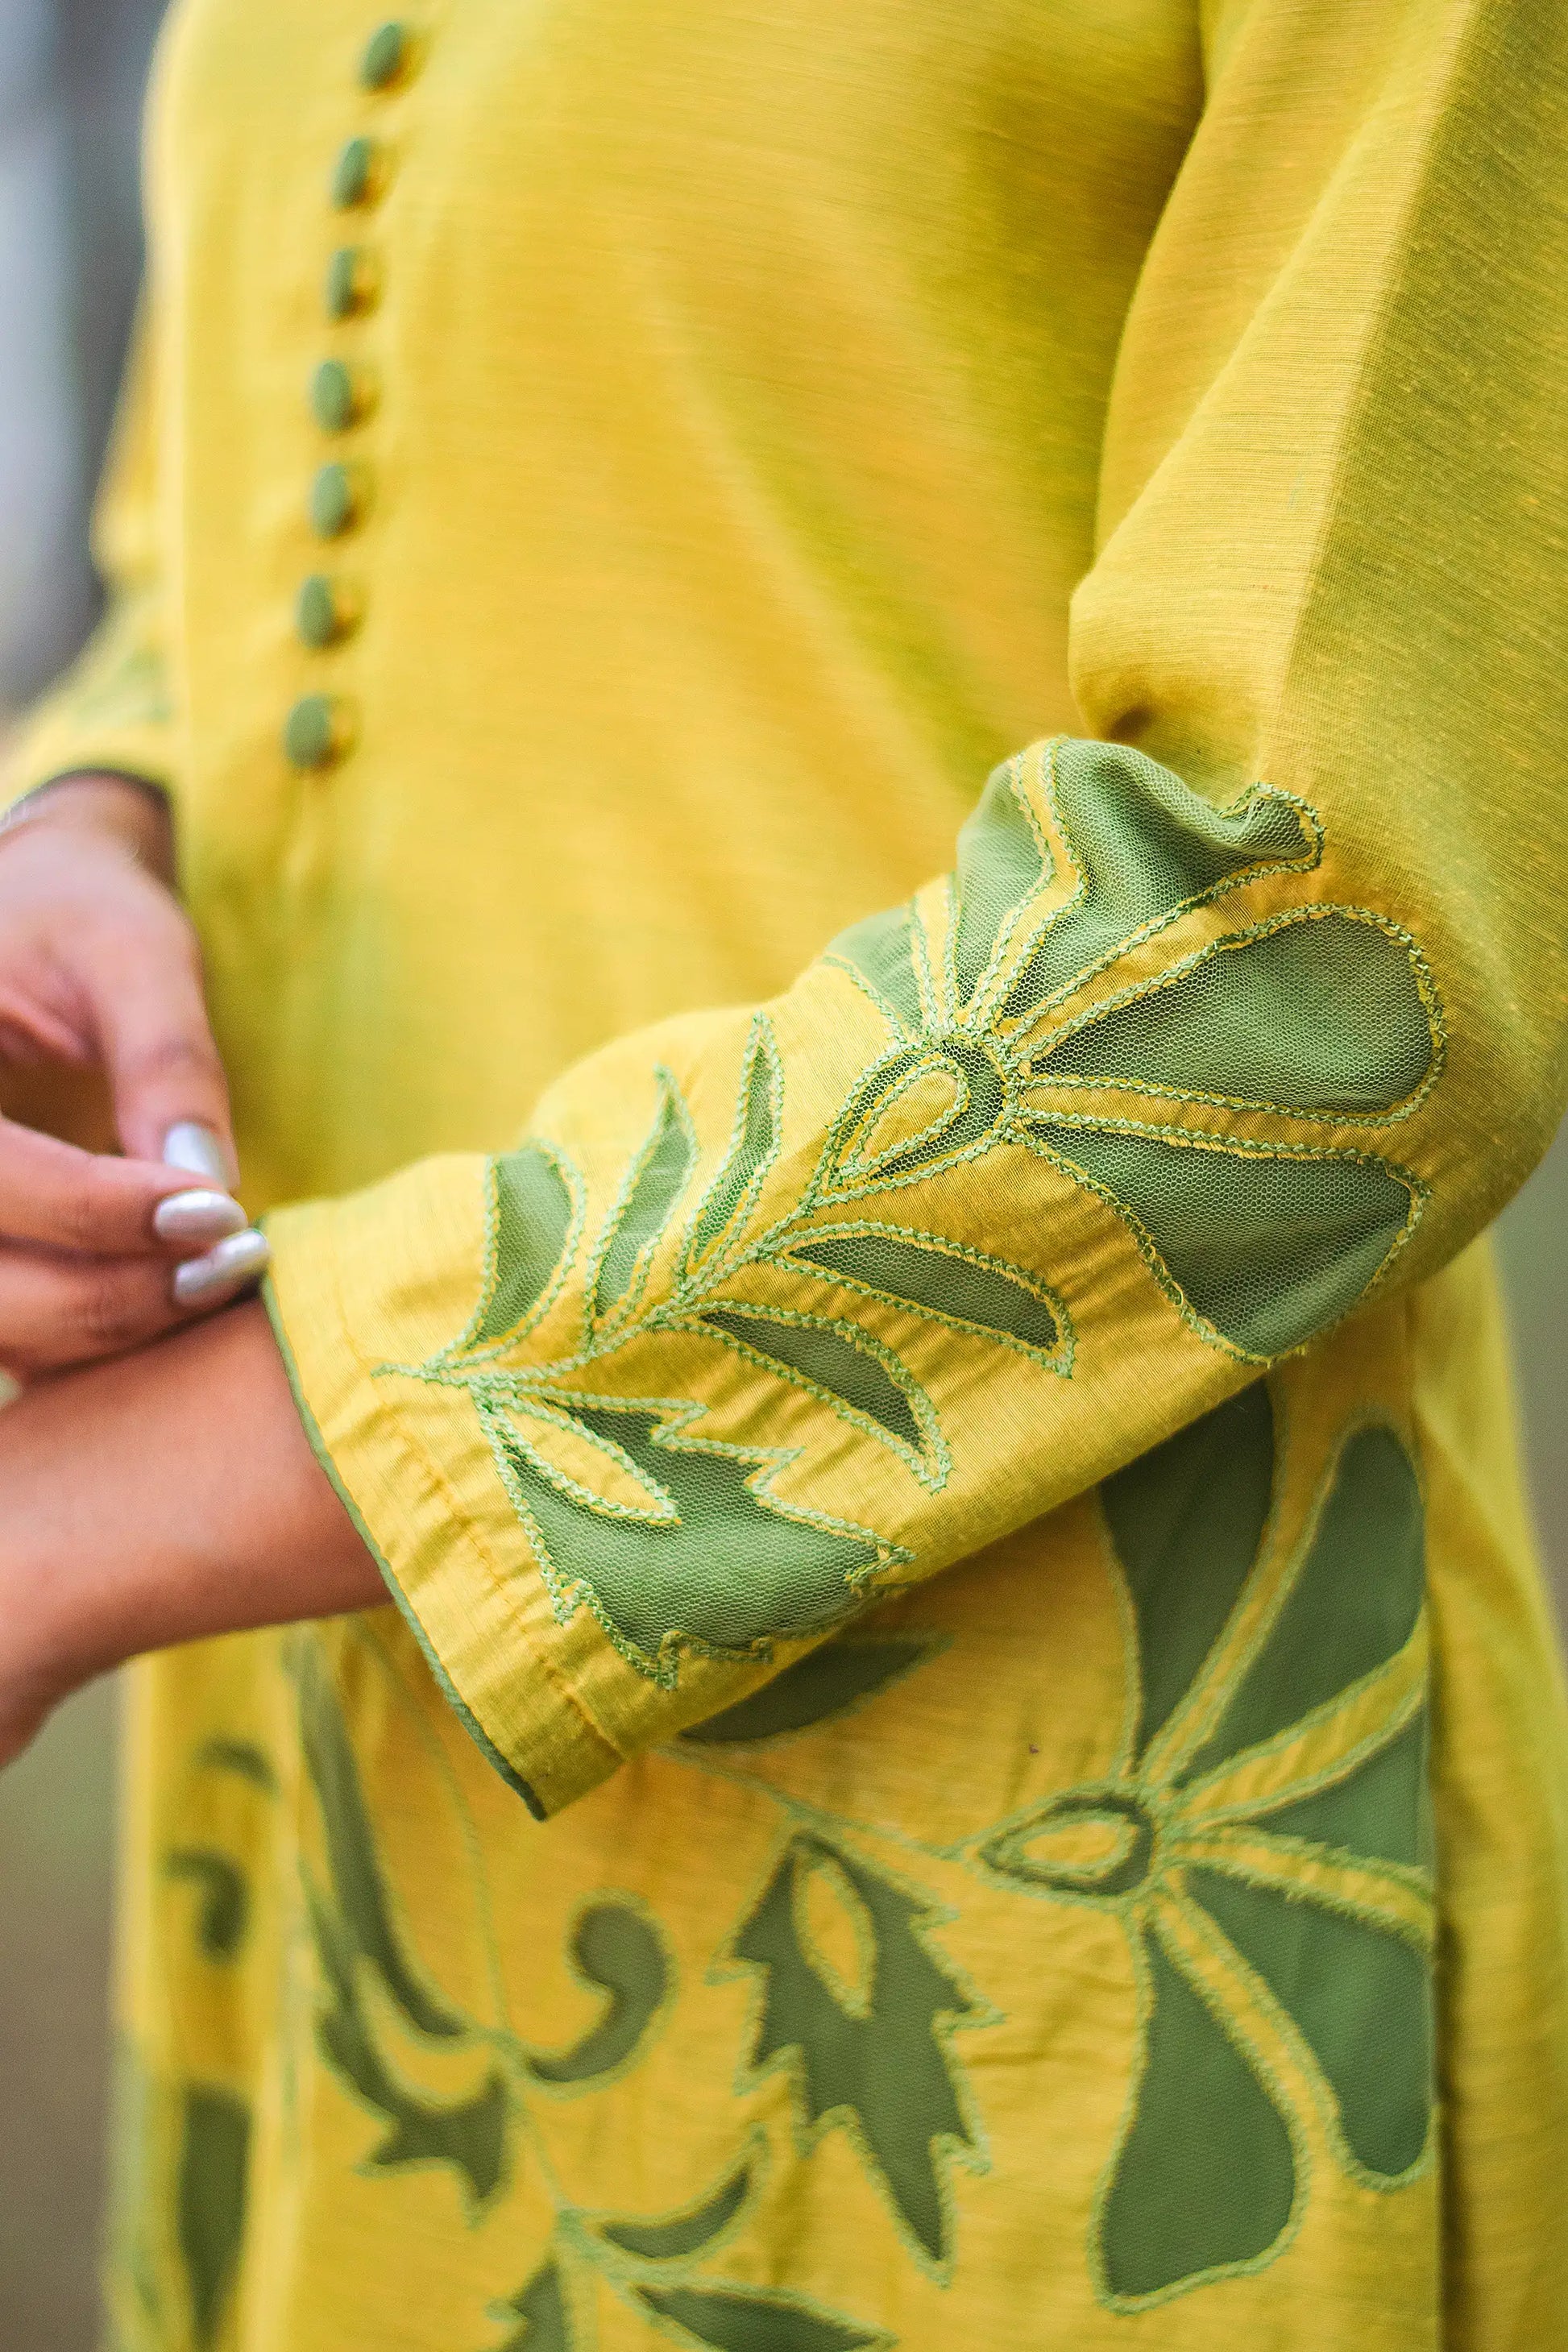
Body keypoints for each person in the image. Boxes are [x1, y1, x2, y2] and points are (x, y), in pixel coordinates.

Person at [0, 1, 1565, 2345]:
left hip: (1030, 1863)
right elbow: (255, 507)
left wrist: (92, 1519)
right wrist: (87, 828)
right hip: (315, 1760)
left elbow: (1325, 948)